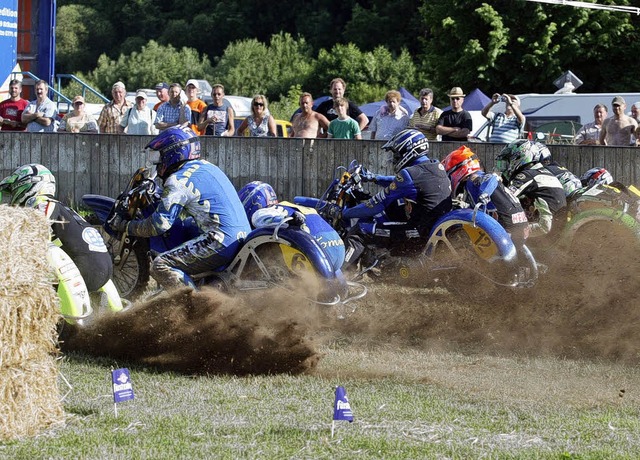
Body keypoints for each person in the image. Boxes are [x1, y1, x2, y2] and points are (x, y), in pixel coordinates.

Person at [108, 126, 251, 290]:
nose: (157, 162)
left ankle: (193, 308)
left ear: (171, 153)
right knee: (189, 224)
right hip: (241, 236)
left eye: (159, 156)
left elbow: (158, 224)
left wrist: (126, 227)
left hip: (220, 241)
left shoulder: (177, 180)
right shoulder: (208, 166)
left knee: (160, 265)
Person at [0, 164, 123, 310]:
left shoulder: (40, 203)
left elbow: (38, 233)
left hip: (83, 267)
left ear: (28, 185)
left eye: (14, 189)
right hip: (103, 267)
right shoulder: (65, 208)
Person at [339, 128, 452, 268]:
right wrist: (374, 178)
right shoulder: (434, 165)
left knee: (360, 230)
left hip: (417, 234)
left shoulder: (409, 174)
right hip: (432, 231)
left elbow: (374, 206)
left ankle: (340, 278)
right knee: (394, 207)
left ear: (409, 151)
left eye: (397, 154)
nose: (395, 158)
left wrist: (343, 213)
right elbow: (402, 182)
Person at [238, 181, 345, 271]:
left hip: (319, 249)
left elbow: (260, 219)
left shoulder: (264, 211)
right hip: (338, 246)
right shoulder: (289, 205)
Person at [442, 145, 528, 247]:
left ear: (458, 169)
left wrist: (485, 193)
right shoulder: (475, 181)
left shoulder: (474, 179)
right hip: (520, 228)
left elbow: (491, 178)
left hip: (505, 231)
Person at [495, 139, 567, 239]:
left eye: (507, 162)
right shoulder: (542, 173)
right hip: (557, 228)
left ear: (520, 157)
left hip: (543, 227)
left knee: (499, 234)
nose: (506, 167)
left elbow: (505, 197)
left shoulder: (528, 175)